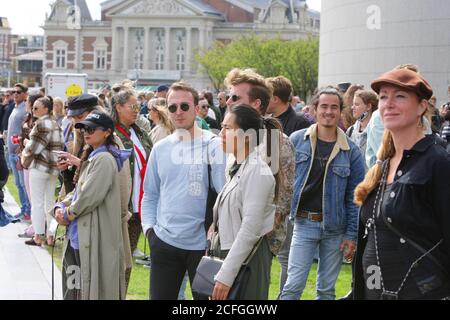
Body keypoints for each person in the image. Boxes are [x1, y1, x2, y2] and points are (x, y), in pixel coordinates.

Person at [352, 68, 450, 300]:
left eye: (400, 96)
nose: (389, 103)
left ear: (422, 106)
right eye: (384, 96)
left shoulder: (437, 162)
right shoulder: (382, 165)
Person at [141, 81, 226, 300]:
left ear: (197, 108)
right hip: (164, 242)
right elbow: (150, 193)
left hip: (202, 246)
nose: (178, 112)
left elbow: (224, 193)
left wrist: (215, 231)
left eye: (184, 106)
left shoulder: (213, 145)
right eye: (172, 107)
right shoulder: (161, 148)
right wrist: (150, 230)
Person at [280, 86, 365, 300]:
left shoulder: (352, 151)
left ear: (340, 111)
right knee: (293, 287)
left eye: (334, 107)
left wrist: (351, 235)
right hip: (303, 223)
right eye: (324, 106)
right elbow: (283, 182)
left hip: (336, 228)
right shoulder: (297, 139)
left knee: (326, 291)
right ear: (315, 109)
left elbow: (354, 199)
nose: (329, 112)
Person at [224, 68, 295, 295]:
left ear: (255, 104)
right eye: (229, 95)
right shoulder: (234, 136)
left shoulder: (274, 142)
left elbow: (281, 200)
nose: (228, 101)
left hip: (255, 243)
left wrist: (256, 241)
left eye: (235, 97)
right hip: (229, 240)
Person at [53, 111, 129, 300]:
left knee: (85, 290)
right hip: (78, 235)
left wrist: (67, 213)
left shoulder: (104, 159)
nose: (86, 132)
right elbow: (79, 191)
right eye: (84, 128)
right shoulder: (95, 156)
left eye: (92, 129)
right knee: (74, 287)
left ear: (107, 132)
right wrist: (59, 206)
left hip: (91, 236)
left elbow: (89, 196)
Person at [211, 105, 279, 300]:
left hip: (247, 262)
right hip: (230, 256)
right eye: (222, 127)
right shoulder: (234, 165)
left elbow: (250, 229)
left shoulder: (258, 171)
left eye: (228, 128)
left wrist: (226, 275)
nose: (221, 133)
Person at [111, 86, 153, 285]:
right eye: (132, 106)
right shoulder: (109, 133)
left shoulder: (141, 133)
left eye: (138, 106)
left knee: (127, 264)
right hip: (118, 208)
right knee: (113, 262)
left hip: (138, 209)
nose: (137, 110)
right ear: (118, 107)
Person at [21, 96, 64, 247]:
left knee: (38, 203)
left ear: (46, 109)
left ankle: (39, 236)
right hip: (53, 168)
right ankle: (50, 236)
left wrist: (26, 143)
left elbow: (34, 148)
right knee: (49, 204)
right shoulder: (55, 124)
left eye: (36, 108)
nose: (33, 110)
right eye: (33, 108)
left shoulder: (41, 124)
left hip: (40, 167)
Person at [6, 84, 31, 219]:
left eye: (18, 92)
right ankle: (24, 209)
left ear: (25, 94)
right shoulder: (15, 108)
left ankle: (28, 211)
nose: (15, 94)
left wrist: (20, 149)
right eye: (13, 91)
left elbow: (26, 131)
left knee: (23, 184)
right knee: (18, 184)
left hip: (19, 152)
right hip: (11, 151)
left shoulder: (25, 110)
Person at [347, 90, 379, 170]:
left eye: (356, 104)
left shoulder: (377, 131)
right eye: (353, 104)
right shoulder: (350, 131)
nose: (352, 107)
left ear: (368, 107)